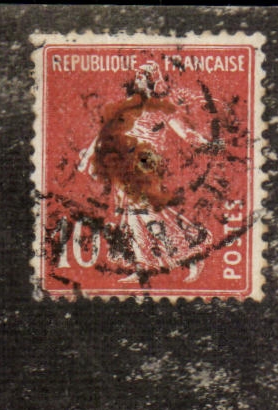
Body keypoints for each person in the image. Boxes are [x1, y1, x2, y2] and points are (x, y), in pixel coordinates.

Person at [76, 62, 215, 281]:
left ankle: (192, 254)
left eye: (143, 76)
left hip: (147, 163)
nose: (138, 79)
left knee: (150, 213)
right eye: (138, 76)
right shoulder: (128, 107)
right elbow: (106, 133)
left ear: (152, 81)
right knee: (131, 216)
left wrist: (210, 145)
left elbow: (186, 133)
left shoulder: (162, 109)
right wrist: (88, 156)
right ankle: (142, 266)